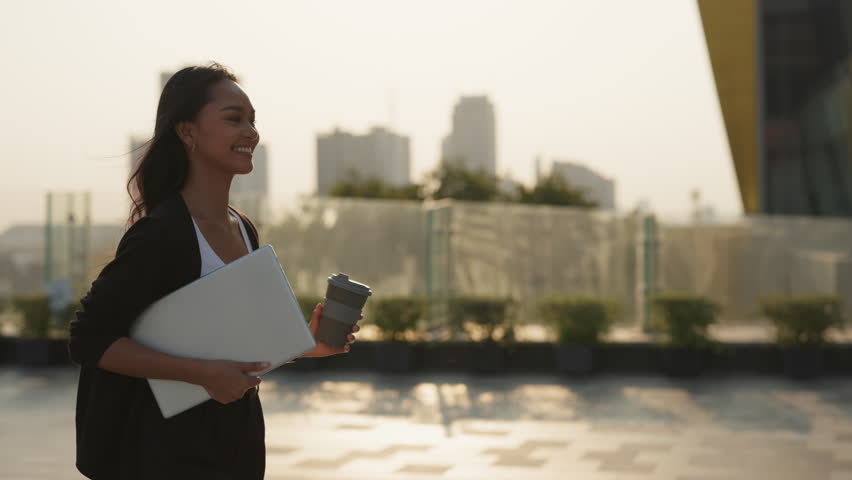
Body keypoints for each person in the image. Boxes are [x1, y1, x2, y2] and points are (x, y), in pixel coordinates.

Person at [67, 63, 358, 479]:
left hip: (234, 445)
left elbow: (229, 343)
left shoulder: (243, 226)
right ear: (188, 133)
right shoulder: (161, 234)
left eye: (253, 121)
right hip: (167, 453)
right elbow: (88, 339)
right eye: (233, 119)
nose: (251, 132)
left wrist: (306, 343)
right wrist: (201, 374)